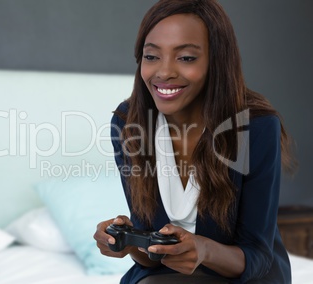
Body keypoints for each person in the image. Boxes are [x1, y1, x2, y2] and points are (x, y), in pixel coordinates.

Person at [93, 0, 297, 283]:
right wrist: (130, 244)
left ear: (217, 60)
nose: (164, 73)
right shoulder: (128, 125)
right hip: (164, 275)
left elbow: (258, 255)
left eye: (186, 58)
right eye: (151, 57)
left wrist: (204, 250)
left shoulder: (255, 127)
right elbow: (151, 253)